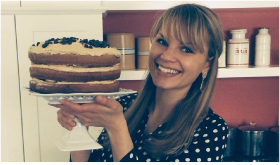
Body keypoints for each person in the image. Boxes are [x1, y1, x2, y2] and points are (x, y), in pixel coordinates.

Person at [52, 4, 229, 162]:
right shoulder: (126, 104)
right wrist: (78, 126)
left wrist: (117, 128)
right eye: (162, 41)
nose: (166, 56)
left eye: (186, 49)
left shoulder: (211, 130)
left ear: (208, 63)